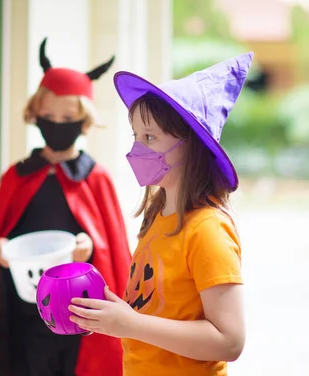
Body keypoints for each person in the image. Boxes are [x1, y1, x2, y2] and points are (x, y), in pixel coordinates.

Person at [68, 53, 253, 375]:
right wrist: (115, 316)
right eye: (136, 136)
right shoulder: (158, 217)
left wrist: (133, 324)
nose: (136, 149)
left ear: (193, 145)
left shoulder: (207, 229)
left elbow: (230, 340)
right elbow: (155, 307)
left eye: (150, 137)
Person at [0, 38, 132, 376]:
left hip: (79, 310)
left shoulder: (96, 178)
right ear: (35, 115)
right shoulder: (17, 176)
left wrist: (89, 246)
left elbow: (111, 251)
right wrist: (1, 249)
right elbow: (2, 235)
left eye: (68, 117)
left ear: (84, 120)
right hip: (23, 311)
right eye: (48, 115)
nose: (57, 123)